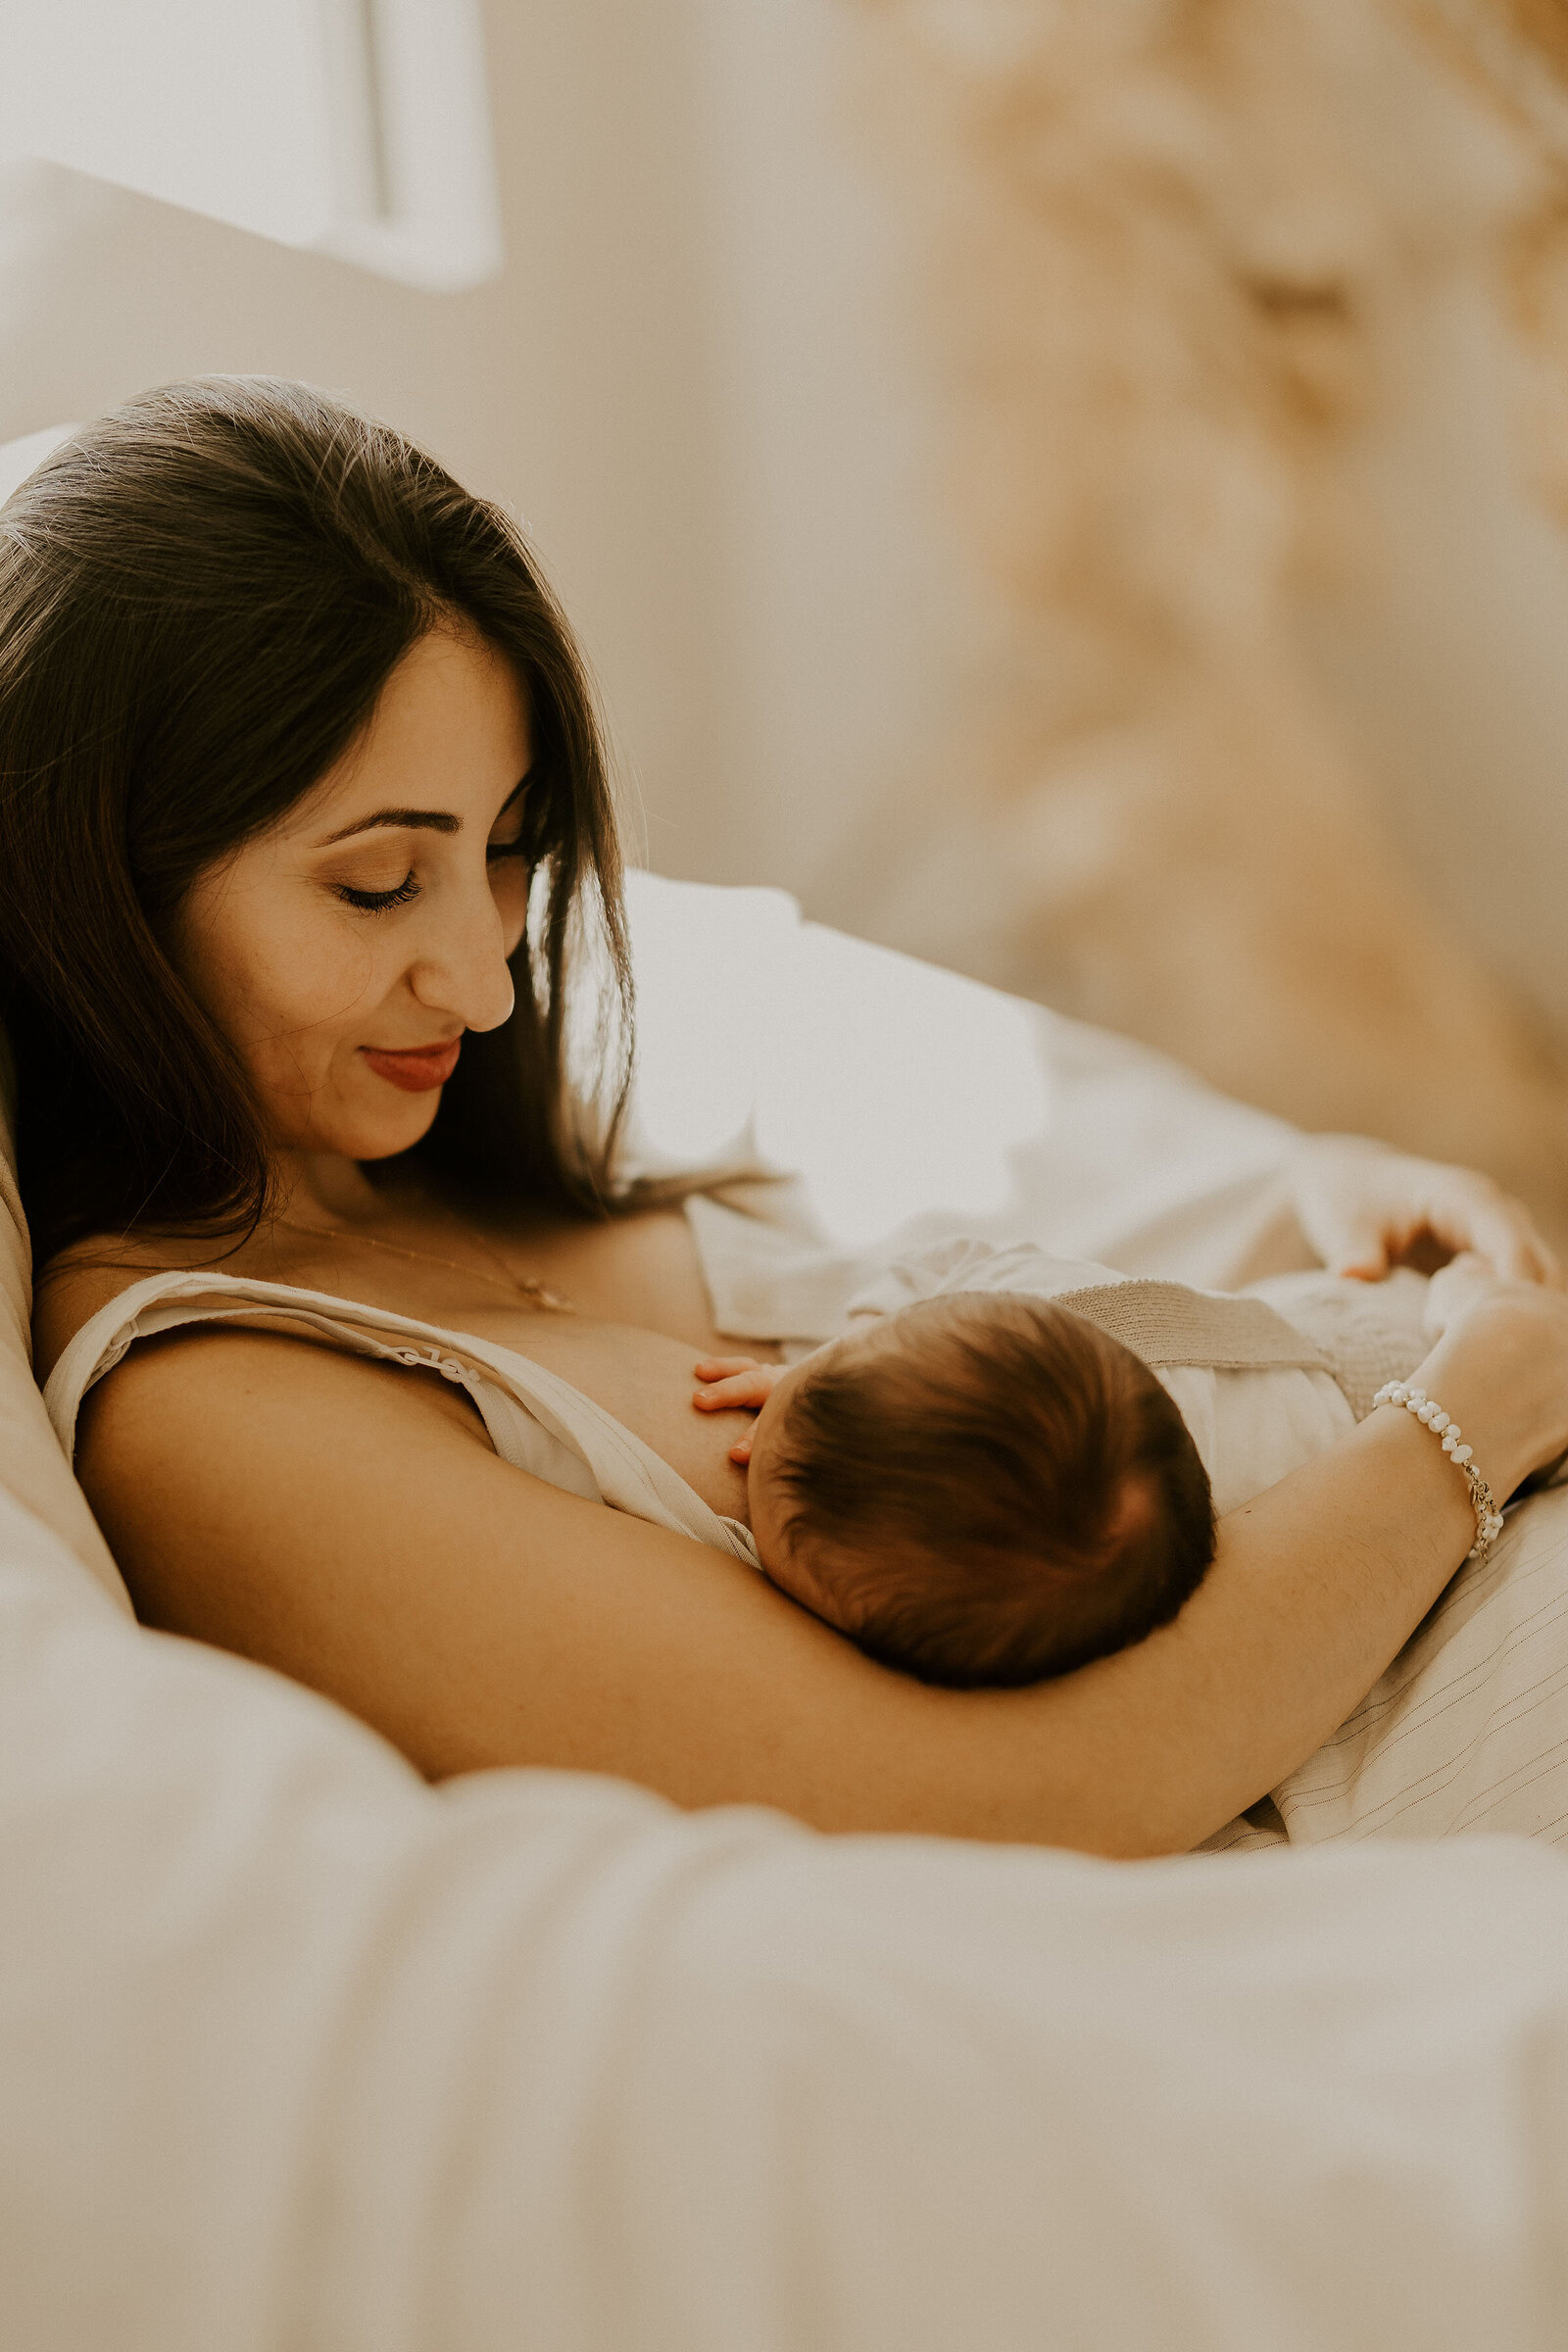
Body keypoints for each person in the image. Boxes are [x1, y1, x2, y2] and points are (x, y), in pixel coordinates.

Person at [7, 374, 1568, 1859]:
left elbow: (1070, 1475)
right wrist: (1461, 1425)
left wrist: (1303, 1234)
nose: (486, 985)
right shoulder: (211, 1417)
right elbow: (1013, 1796)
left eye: (509, 851)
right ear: (97, 885)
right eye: (375, 882)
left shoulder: (470, 1164)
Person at [689, 1238, 1499, 1689]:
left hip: (1386, 1357)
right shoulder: (1014, 1330)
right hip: (1300, 1354)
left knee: (1474, 1304)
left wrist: (831, 1354)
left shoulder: (1033, 1298)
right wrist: (836, 1365)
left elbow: (935, 1267)